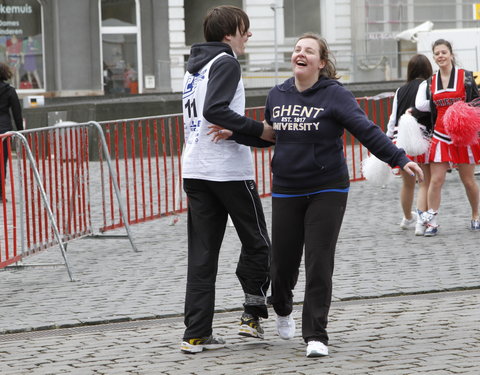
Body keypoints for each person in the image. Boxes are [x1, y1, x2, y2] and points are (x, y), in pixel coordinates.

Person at [212, 33, 423, 358]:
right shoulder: (277, 94)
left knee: (319, 260)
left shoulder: (335, 95)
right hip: (287, 188)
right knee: (281, 263)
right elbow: (272, 135)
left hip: (328, 187)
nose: (300, 53)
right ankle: (281, 306)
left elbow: (366, 130)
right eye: (297, 49)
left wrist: (399, 158)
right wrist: (237, 134)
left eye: (308, 50)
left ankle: (316, 334)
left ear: (321, 63)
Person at [179, 5, 275, 354]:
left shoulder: (194, 67)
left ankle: (196, 334)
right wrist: (262, 131)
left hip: (195, 168)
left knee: (202, 254)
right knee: (260, 244)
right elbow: (214, 110)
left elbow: (208, 113)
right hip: (227, 171)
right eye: (245, 29)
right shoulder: (226, 62)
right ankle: (251, 315)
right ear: (229, 33)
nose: (248, 35)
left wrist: (236, 129)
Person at [414, 39, 480, 236]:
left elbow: (477, 103)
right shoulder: (430, 82)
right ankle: (432, 220)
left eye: (443, 52)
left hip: (463, 134)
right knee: (436, 180)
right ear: (434, 58)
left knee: (468, 180)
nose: (440, 56)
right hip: (440, 133)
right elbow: (425, 108)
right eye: (436, 54)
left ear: (451, 54)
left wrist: (466, 117)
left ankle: (476, 214)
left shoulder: (467, 77)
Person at [386, 54, 433, 235]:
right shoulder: (428, 87)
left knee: (408, 184)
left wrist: (388, 139)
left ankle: (407, 217)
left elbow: (393, 118)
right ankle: (424, 219)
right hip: (423, 138)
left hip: (401, 139)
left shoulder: (400, 90)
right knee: (425, 182)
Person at [0, 62, 23, 202]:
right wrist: (21, 132)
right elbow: (17, 113)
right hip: (4, 130)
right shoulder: (9, 91)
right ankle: (1, 194)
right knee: (2, 162)